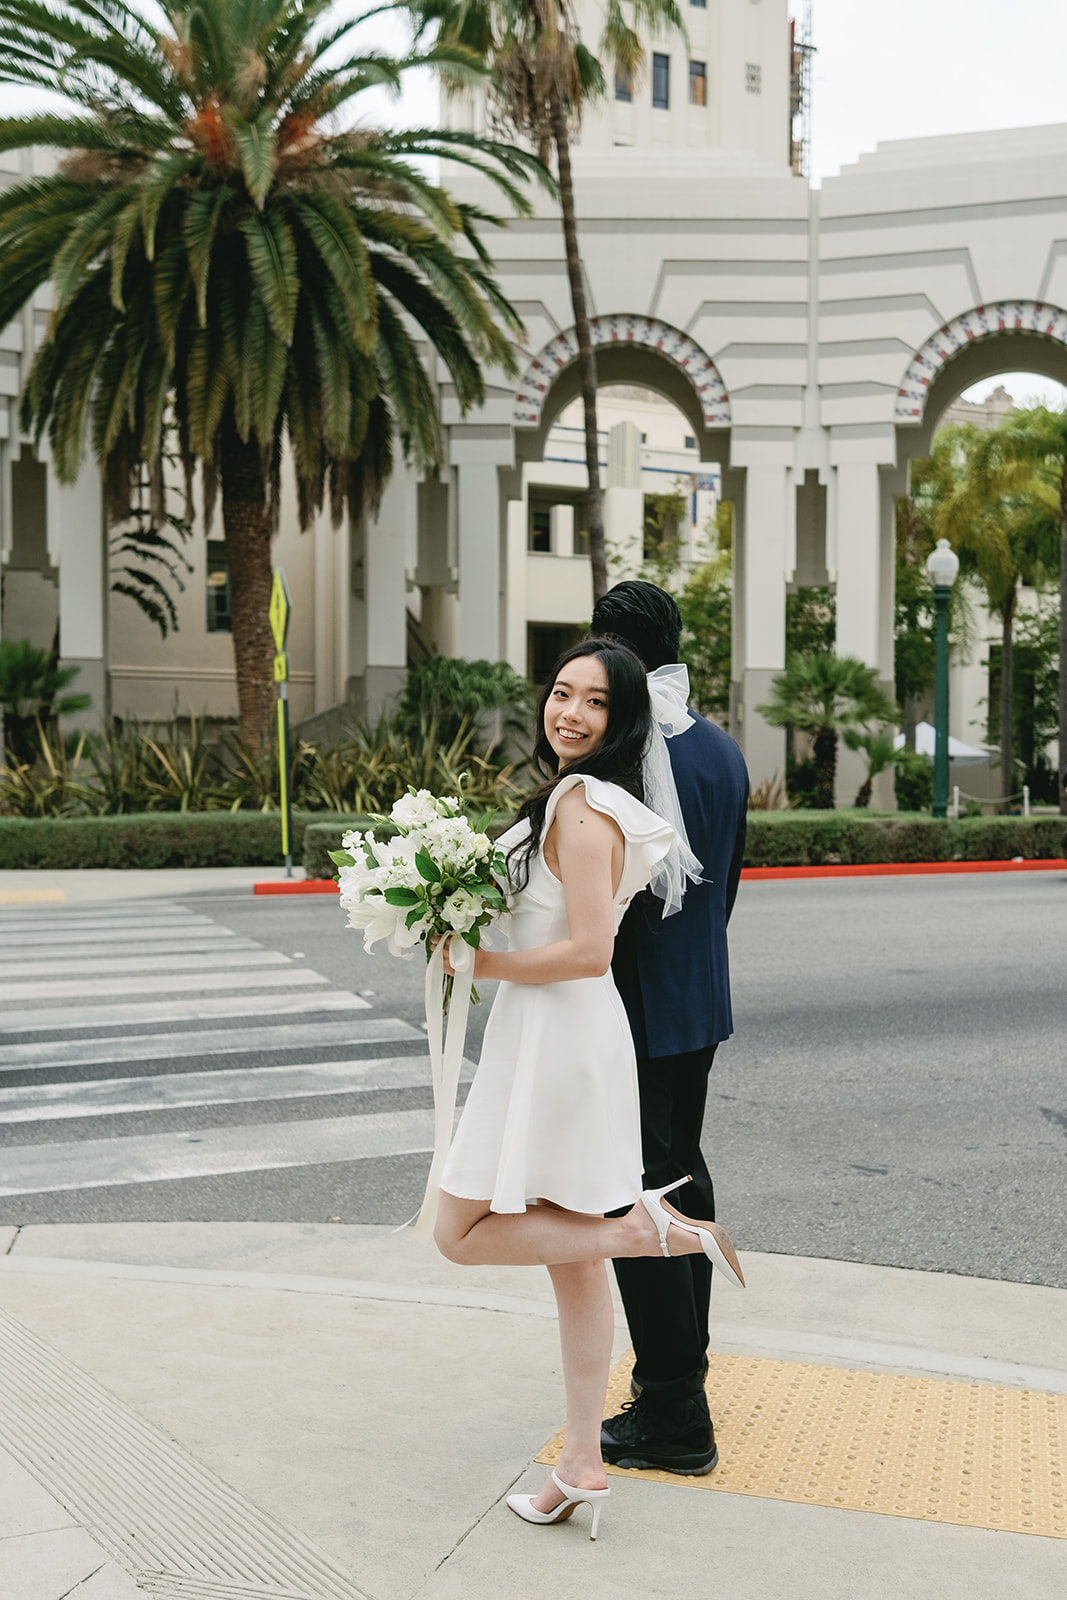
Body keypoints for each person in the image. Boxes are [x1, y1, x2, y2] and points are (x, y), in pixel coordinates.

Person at [432, 637, 744, 1541]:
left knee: (457, 1233)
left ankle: (644, 1230)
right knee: (573, 1274)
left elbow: (587, 950)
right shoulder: (590, 798)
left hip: (560, 1034)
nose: (568, 712)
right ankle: (580, 1464)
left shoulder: (579, 806)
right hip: (559, 1032)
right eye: (561, 693)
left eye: (594, 703)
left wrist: (475, 959)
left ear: (624, 720)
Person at [591, 580, 749, 1477]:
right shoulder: (723, 751)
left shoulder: (622, 746)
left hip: (631, 1003)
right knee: (680, 1175)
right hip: (698, 998)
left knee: (633, 1193)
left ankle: (673, 1413)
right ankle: (685, 1363)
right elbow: (722, 884)